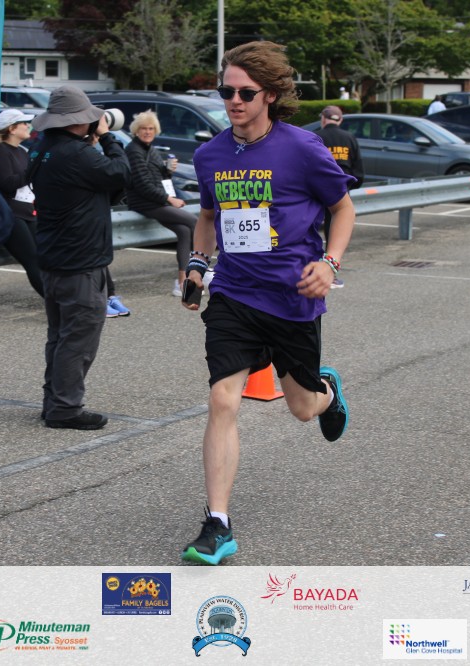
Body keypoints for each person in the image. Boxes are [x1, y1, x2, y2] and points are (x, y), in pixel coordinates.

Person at [180, 42, 355, 565]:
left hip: (292, 296)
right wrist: (197, 265)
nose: (233, 101)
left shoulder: (302, 148)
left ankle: (327, 391)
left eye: (245, 93)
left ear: (270, 95)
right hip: (234, 293)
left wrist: (329, 263)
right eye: (226, 91)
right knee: (223, 400)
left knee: (302, 409)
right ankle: (217, 524)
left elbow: (342, 208)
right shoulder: (210, 155)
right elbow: (207, 218)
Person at [27, 86, 131, 430]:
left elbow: (101, 184)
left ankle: (54, 401)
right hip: (80, 261)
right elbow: (120, 173)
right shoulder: (76, 154)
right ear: (78, 120)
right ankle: (65, 408)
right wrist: (109, 137)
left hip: (55, 257)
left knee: (60, 336)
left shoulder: (43, 148)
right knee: (78, 338)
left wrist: (91, 139)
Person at [124, 110, 196, 297]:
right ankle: (199, 271)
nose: (147, 132)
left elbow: (160, 178)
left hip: (157, 200)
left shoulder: (151, 150)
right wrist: (169, 199)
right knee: (193, 221)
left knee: (184, 231)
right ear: (136, 130)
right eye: (143, 128)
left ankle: (182, 282)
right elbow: (142, 184)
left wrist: (168, 171)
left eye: (151, 128)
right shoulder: (133, 150)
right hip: (146, 202)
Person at [0, 108, 44, 297]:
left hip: (28, 211)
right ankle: (56, 304)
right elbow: (7, 183)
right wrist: (32, 171)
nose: (28, 126)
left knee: (44, 257)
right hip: (11, 214)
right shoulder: (1, 151)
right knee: (32, 260)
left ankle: (60, 301)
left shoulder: (22, 152)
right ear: (11, 128)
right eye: (24, 123)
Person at [313, 105, 363, 289]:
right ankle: (330, 269)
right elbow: (358, 169)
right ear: (340, 120)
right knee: (334, 226)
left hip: (316, 189)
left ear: (323, 119)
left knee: (312, 229)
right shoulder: (349, 138)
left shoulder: (316, 137)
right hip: (342, 190)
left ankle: (315, 267)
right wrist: (351, 186)